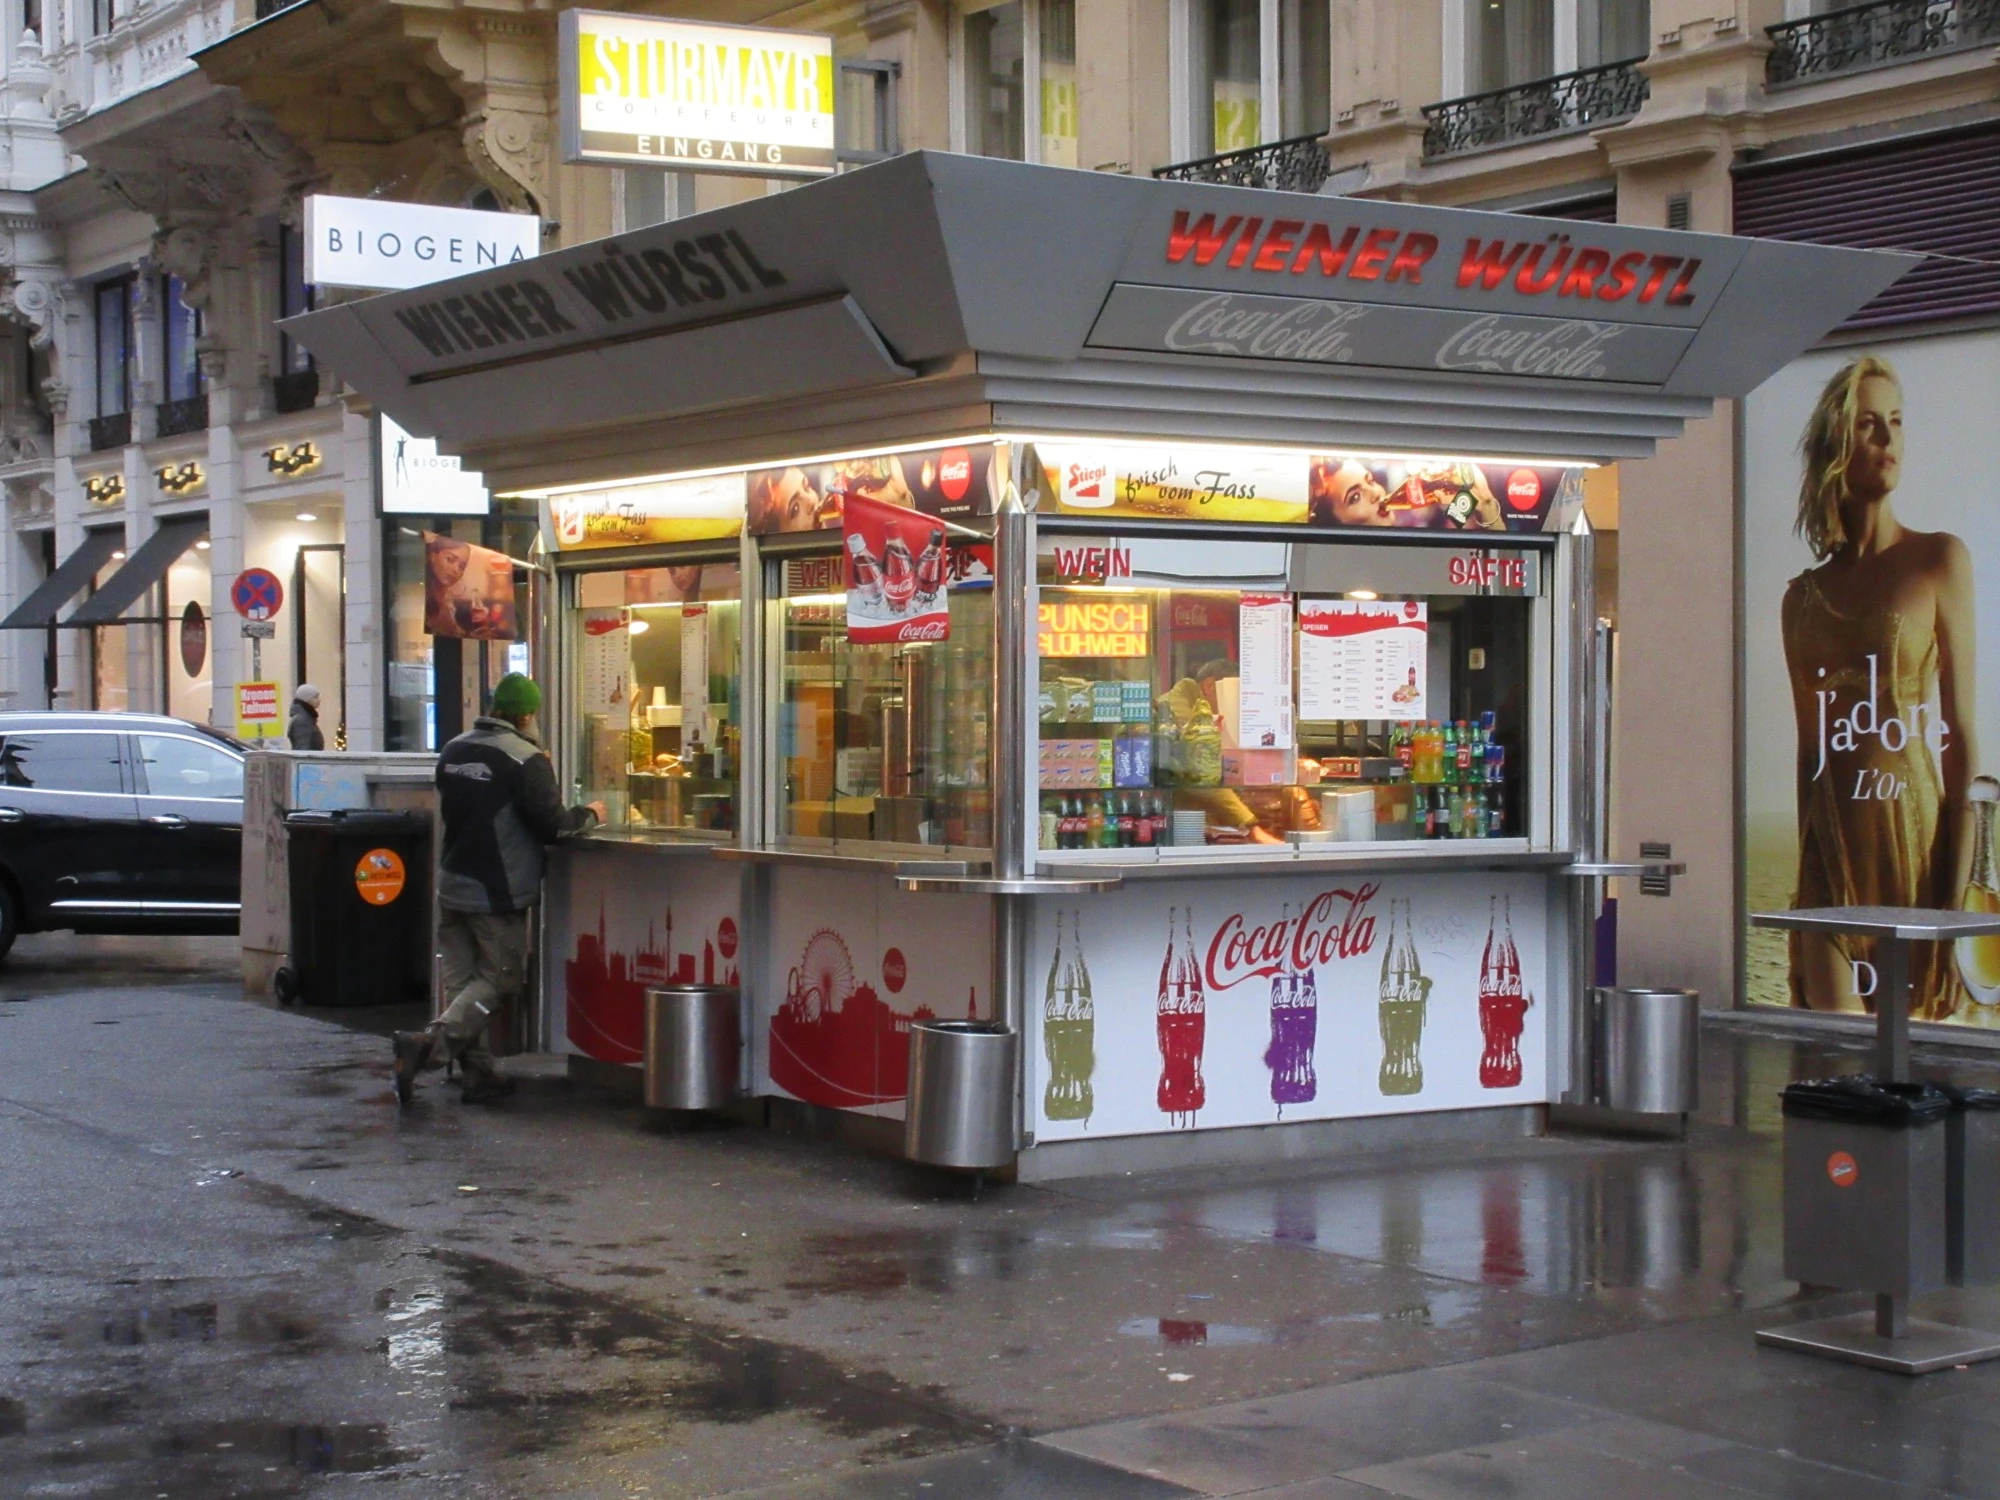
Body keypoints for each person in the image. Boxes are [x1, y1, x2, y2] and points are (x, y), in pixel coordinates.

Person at [1782, 354, 1977, 1018]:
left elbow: (1962, 741)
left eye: (1895, 422)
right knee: (1837, 1063)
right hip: (1832, 859)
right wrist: (1798, 902)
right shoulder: (1801, 599)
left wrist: (1956, 913)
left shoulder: (1938, 561)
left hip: (1916, 849)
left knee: (1912, 1065)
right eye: (1869, 425)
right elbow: (1811, 753)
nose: (1889, 442)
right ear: (1838, 442)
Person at [393, 674, 604, 1104]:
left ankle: (479, 1074)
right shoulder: (525, 760)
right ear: (528, 715)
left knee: (466, 984)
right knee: (501, 979)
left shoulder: (453, 750)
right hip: (496, 889)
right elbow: (554, 825)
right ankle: (425, 1049)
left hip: (452, 882)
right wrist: (593, 813)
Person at [287, 685, 325, 751]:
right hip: (309, 760)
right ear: (306, 699)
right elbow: (302, 748)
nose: (319, 700)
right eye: (315, 697)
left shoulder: (307, 719)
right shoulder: (301, 721)